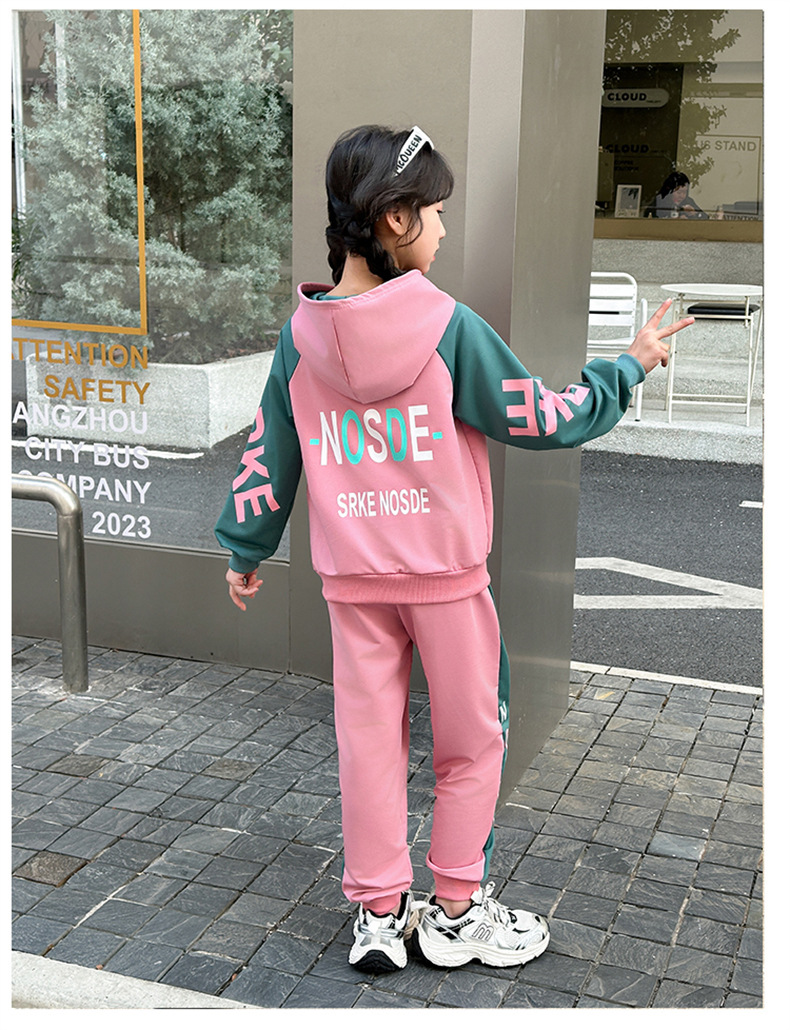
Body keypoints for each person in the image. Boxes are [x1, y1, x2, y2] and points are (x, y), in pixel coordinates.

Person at [214, 124, 693, 975]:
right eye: (434, 213)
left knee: (369, 743)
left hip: (353, 584)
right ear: (395, 219)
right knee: (473, 742)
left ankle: (379, 914)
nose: (441, 229)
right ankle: (458, 912)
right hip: (446, 581)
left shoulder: (300, 338)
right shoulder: (449, 327)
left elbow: (268, 453)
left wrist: (245, 547)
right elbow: (547, 418)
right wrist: (627, 366)